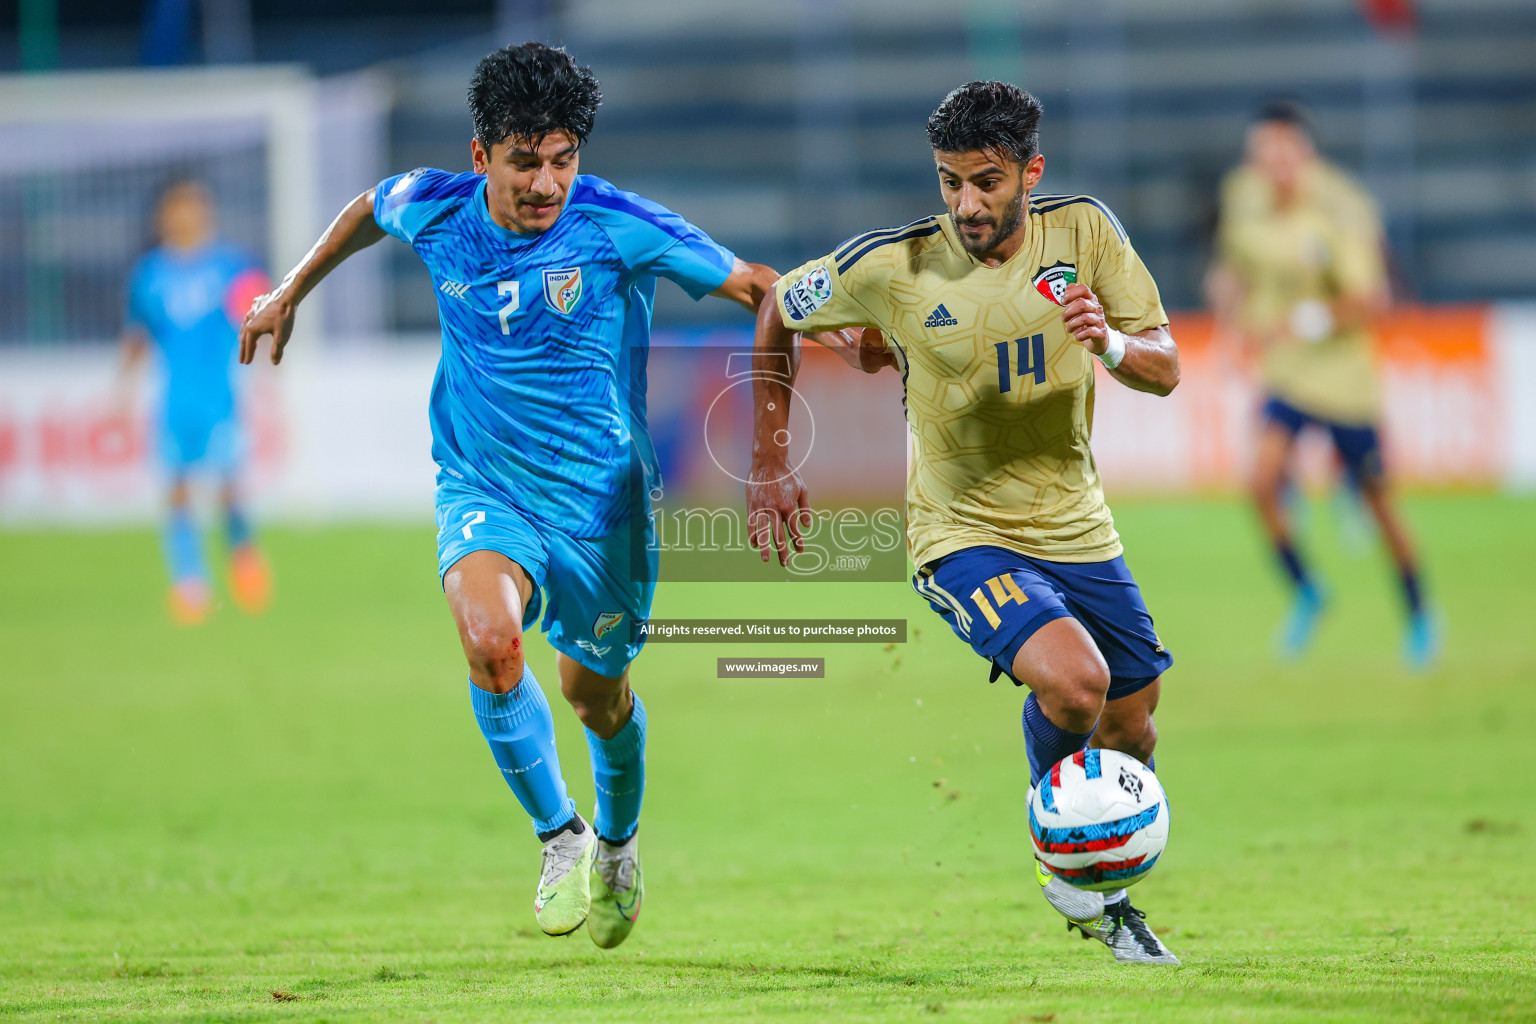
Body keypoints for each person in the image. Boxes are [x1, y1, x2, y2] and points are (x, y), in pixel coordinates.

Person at [237, 42, 860, 946]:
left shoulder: (615, 223)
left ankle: (618, 841)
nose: (546, 183)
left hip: (603, 507)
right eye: (525, 161)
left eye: (563, 159)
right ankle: (561, 838)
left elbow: (760, 287)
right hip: (483, 480)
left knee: (594, 697)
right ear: (481, 152)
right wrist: (291, 289)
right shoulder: (436, 205)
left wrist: (782, 427)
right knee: (491, 644)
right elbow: (369, 208)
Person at [748, 81, 1183, 965]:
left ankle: (1095, 873)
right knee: (1076, 684)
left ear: (1032, 171)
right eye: (949, 182)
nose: (965, 204)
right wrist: (769, 459)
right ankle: (1075, 867)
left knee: (1133, 725)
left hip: (1076, 522)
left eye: (985, 181)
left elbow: (1166, 370)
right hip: (957, 530)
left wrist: (1108, 345)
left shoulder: (1087, 232)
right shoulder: (895, 262)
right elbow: (775, 308)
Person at [1207, 100, 1437, 667]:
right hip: (1286, 374)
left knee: (1381, 506)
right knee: (1259, 482)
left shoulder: (1341, 210)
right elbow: (1233, 265)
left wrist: (1293, 323)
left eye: (1284, 154)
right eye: (1263, 155)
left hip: (1344, 381)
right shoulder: (1243, 195)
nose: (1273, 166)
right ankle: (1309, 591)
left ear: (1304, 154)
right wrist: (1230, 321)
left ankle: (1419, 614)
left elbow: (1372, 301)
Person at [118, 180, 274, 625]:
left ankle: (243, 557)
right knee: (178, 491)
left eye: (196, 205)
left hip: (220, 398)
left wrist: (268, 360)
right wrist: (122, 389)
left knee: (228, 489)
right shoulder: (149, 275)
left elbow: (261, 310)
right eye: (180, 207)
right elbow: (137, 334)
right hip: (174, 401)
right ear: (163, 215)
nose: (189, 214)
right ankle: (190, 585)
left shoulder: (231, 266)